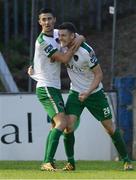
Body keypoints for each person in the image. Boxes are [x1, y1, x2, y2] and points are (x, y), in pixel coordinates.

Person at [54, 22, 133, 171]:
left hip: (94, 93)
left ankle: (127, 160)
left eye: (63, 35)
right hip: (75, 92)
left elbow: (99, 74)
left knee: (109, 128)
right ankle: (71, 163)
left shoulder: (85, 51)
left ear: (72, 36)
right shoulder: (60, 44)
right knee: (68, 127)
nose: (60, 38)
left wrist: (88, 92)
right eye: (59, 35)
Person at [28, 8, 84, 171]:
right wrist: (76, 42)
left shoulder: (59, 33)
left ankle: (50, 161)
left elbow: (80, 36)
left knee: (56, 125)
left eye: (49, 19)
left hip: (54, 87)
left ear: (54, 20)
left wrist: (78, 38)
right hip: (46, 87)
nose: (47, 22)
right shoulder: (42, 42)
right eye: (43, 19)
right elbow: (65, 58)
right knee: (62, 122)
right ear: (39, 22)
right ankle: (47, 161)